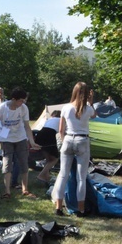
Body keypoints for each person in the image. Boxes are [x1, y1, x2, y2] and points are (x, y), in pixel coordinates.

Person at [0, 87, 39, 199]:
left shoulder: (24, 108)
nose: (23, 102)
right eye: (21, 100)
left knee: (24, 164)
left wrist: (32, 141)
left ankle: (25, 189)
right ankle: (7, 191)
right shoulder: (2, 108)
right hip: (6, 139)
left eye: (24, 100)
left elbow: (27, 126)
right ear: (14, 99)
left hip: (21, 138)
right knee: (7, 164)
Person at [52, 82, 95, 217]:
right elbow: (94, 115)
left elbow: (60, 130)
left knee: (63, 174)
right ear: (87, 93)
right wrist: (91, 101)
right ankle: (81, 209)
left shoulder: (66, 107)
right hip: (82, 140)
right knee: (81, 177)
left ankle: (58, 207)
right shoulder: (88, 109)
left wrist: (65, 141)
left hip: (68, 139)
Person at [34, 110, 61, 186]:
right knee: (55, 158)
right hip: (49, 135)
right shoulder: (60, 119)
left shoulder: (50, 119)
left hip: (40, 134)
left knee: (48, 159)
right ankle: (41, 175)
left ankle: (47, 176)